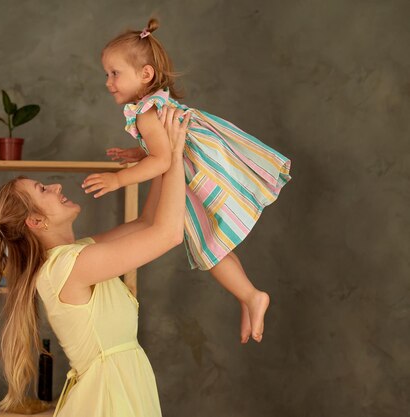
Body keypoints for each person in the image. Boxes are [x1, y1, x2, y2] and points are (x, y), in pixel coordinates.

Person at [0, 107, 191, 417]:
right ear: (36, 221)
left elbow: (147, 223)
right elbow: (169, 234)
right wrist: (175, 153)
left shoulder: (76, 255)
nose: (57, 187)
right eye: (43, 190)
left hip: (118, 390)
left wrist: (163, 155)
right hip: (106, 401)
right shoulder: (68, 267)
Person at [82, 17, 292, 344]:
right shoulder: (153, 104)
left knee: (207, 241)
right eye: (106, 74)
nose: (108, 81)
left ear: (145, 74)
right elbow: (160, 148)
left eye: (114, 73)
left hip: (191, 172)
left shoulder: (146, 112)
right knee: (209, 237)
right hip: (193, 163)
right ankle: (249, 296)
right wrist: (139, 154)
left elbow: (164, 159)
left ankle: (251, 296)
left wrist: (119, 180)